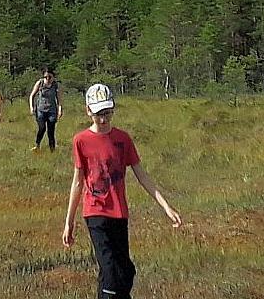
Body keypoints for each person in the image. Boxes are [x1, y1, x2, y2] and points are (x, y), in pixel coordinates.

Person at [58, 84, 183, 299]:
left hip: (119, 213)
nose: (104, 119)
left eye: (107, 113)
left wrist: (166, 207)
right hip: (95, 213)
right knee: (109, 270)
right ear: (88, 111)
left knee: (124, 271)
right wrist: (69, 221)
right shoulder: (81, 140)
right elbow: (78, 182)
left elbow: (142, 175)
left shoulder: (122, 139)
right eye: (98, 114)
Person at [30, 70, 64, 152]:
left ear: (53, 77)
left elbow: (59, 99)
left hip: (52, 111)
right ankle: (37, 145)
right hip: (40, 110)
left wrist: (60, 109)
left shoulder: (55, 85)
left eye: (50, 77)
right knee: (42, 128)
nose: (48, 79)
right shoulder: (40, 83)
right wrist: (32, 107)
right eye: (46, 77)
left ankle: (52, 149)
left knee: (51, 130)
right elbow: (32, 95)